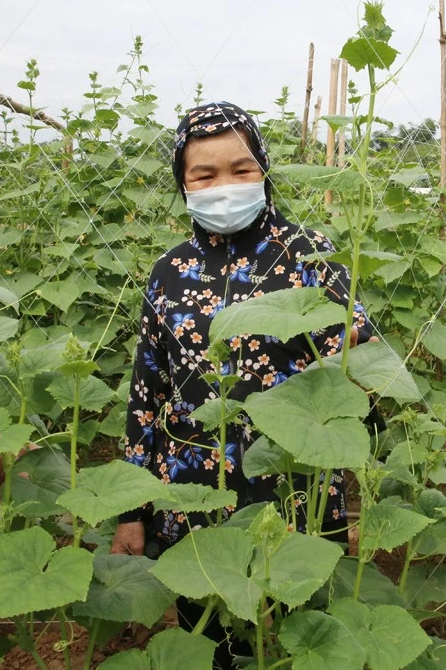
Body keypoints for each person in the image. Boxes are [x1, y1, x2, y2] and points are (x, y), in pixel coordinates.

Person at [111, 101, 373, 664]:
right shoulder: (168, 272)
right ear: (183, 184)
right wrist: (130, 510)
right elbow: (145, 393)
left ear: (264, 171)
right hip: (191, 491)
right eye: (203, 174)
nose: (223, 185)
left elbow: (363, 354)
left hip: (293, 484)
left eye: (241, 169)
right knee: (208, 641)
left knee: (304, 642)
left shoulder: (308, 254)